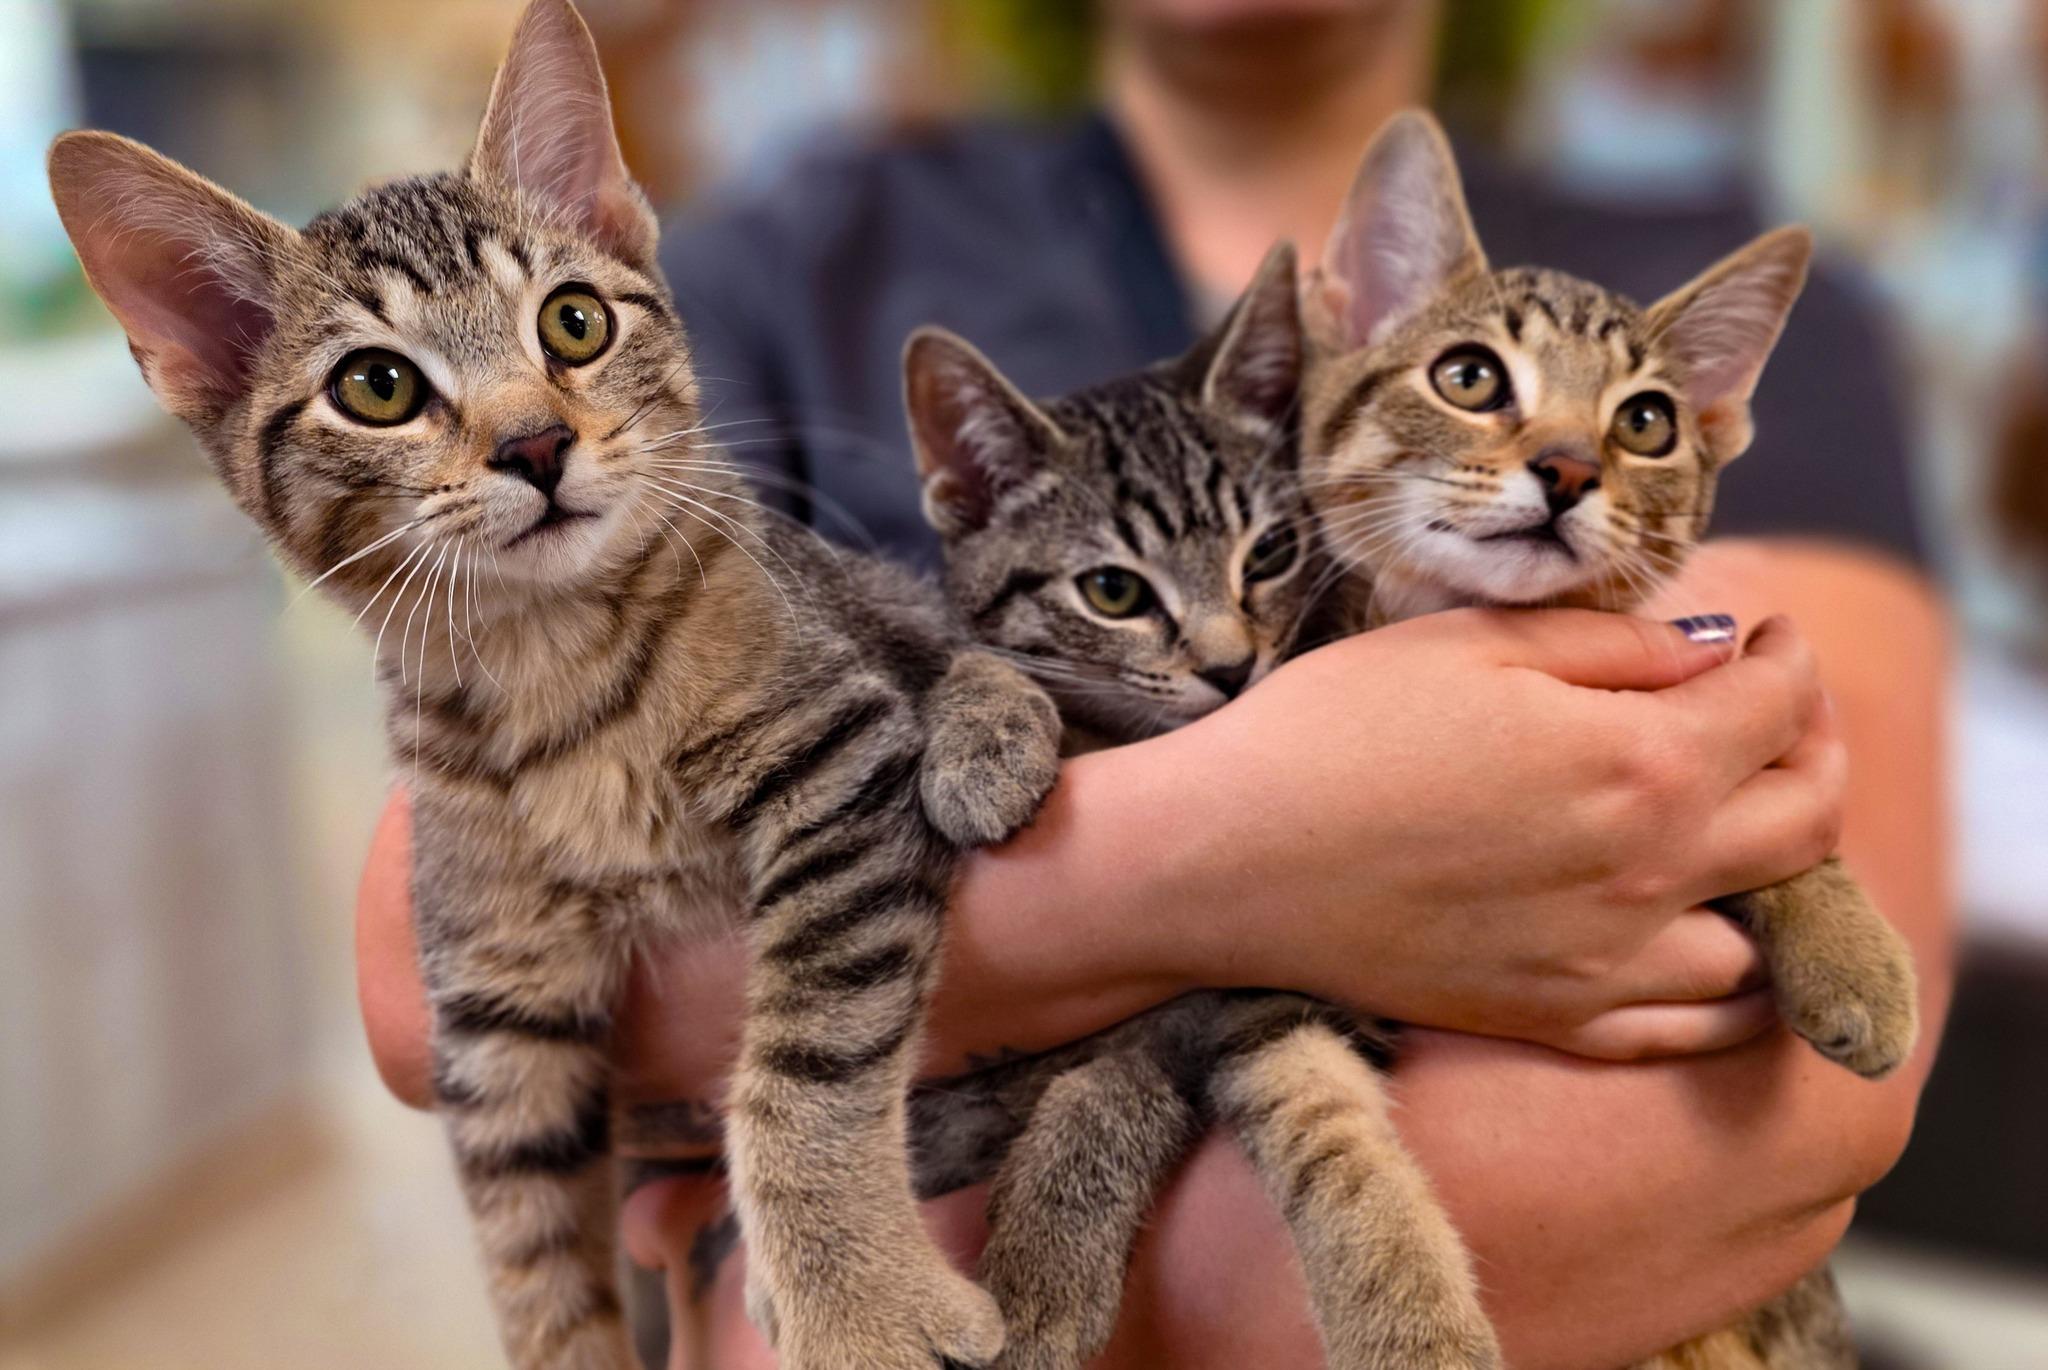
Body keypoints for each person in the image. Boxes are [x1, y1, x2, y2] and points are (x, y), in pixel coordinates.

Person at [356, 1, 1952, 1366]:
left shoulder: (1692, 278)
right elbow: (440, 983)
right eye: (1467, 383)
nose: (1220, 650)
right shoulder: (777, 258)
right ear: (1366, 320)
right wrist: (1243, 854)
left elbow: (1800, 1108)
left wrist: (820, 1107)